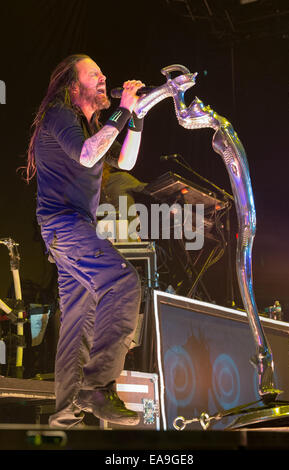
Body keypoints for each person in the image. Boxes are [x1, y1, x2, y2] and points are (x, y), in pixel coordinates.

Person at [26, 54, 145, 428]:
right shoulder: (60, 114)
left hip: (66, 231)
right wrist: (122, 112)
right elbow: (87, 154)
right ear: (73, 86)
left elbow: (124, 162)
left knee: (79, 321)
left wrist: (135, 118)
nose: (103, 77)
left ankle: (64, 413)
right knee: (124, 284)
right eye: (94, 74)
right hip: (65, 225)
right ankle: (97, 386)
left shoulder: (86, 124)